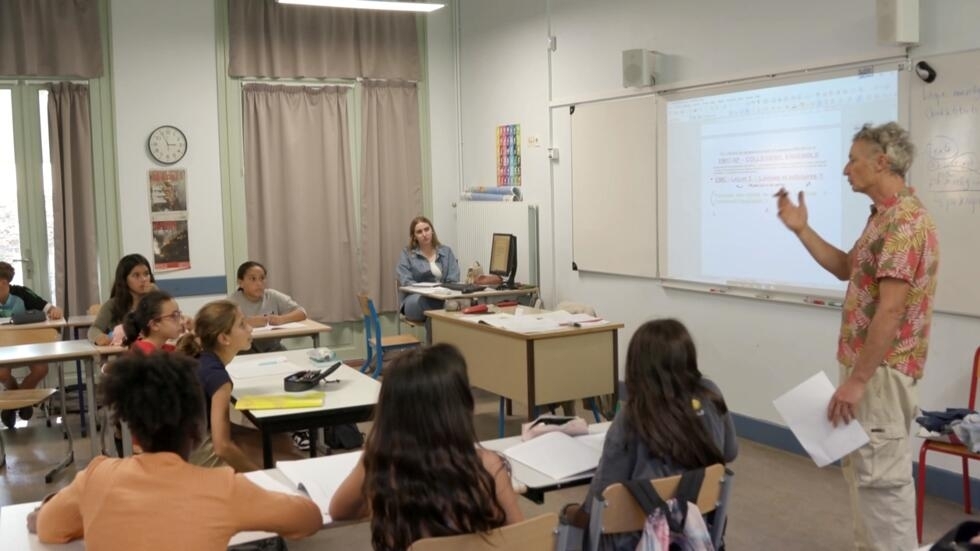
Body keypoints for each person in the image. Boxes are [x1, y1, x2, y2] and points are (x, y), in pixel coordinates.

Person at [775, 122, 939, 551]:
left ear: (881, 161)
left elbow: (890, 309)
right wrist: (801, 230)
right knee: (866, 482)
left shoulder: (904, 222)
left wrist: (858, 380)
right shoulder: (882, 218)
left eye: (853, 159)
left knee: (883, 487)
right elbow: (847, 267)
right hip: (869, 372)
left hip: (879, 376)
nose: (846, 169)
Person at [29, 352, 321, 549]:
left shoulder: (96, 476)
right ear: (197, 431)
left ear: (133, 434)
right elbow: (308, 518)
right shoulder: (223, 487)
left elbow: (48, 527)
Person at [559, 319, 738, 551]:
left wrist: (572, 514)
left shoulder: (631, 417)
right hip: (696, 531)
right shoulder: (711, 394)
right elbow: (730, 452)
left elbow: (601, 501)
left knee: (569, 518)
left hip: (638, 540)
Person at [329, 344, 523, 550]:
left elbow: (339, 510)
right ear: (464, 406)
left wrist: (379, 503)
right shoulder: (487, 465)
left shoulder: (381, 461)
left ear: (389, 410)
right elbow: (522, 536)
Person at [177, 300, 261, 472]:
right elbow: (222, 446)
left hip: (176, 446)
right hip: (192, 454)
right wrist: (260, 476)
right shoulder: (218, 378)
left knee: (273, 441)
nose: (250, 329)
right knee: (267, 455)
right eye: (242, 325)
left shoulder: (200, 358)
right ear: (224, 338)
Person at [0, 261, 62, 428]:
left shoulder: (21, 293)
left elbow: (48, 307)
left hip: (27, 346)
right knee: (2, 373)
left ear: (4, 282)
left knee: (41, 369)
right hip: (2, 349)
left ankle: (14, 404)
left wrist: (54, 311)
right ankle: (23, 402)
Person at [226, 260, 307, 354]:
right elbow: (222, 328)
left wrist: (282, 319)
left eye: (262, 278)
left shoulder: (272, 295)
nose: (259, 283)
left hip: (273, 348)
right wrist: (245, 323)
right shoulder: (231, 302)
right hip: (244, 350)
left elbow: (302, 312)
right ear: (241, 282)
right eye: (253, 279)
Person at [396, 216, 460, 322]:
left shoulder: (446, 251)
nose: (424, 234)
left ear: (432, 231)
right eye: (419, 232)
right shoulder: (407, 254)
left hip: (442, 297)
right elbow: (406, 281)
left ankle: (440, 337)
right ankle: (437, 336)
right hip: (415, 298)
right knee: (428, 305)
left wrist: (442, 292)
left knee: (460, 304)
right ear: (414, 236)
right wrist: (429, 292)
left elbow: (453, 278)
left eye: (427, 229)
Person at [88, 254, 157, 346]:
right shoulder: (113, 304)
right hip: (123, 355)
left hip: (152, 353)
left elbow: (171, 317)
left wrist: (156, 293)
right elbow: (94, 329)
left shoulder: (155, 301)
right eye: (136, 275)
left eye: (146, 274)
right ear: (124, 279)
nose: (143, 279)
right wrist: (99, 337)